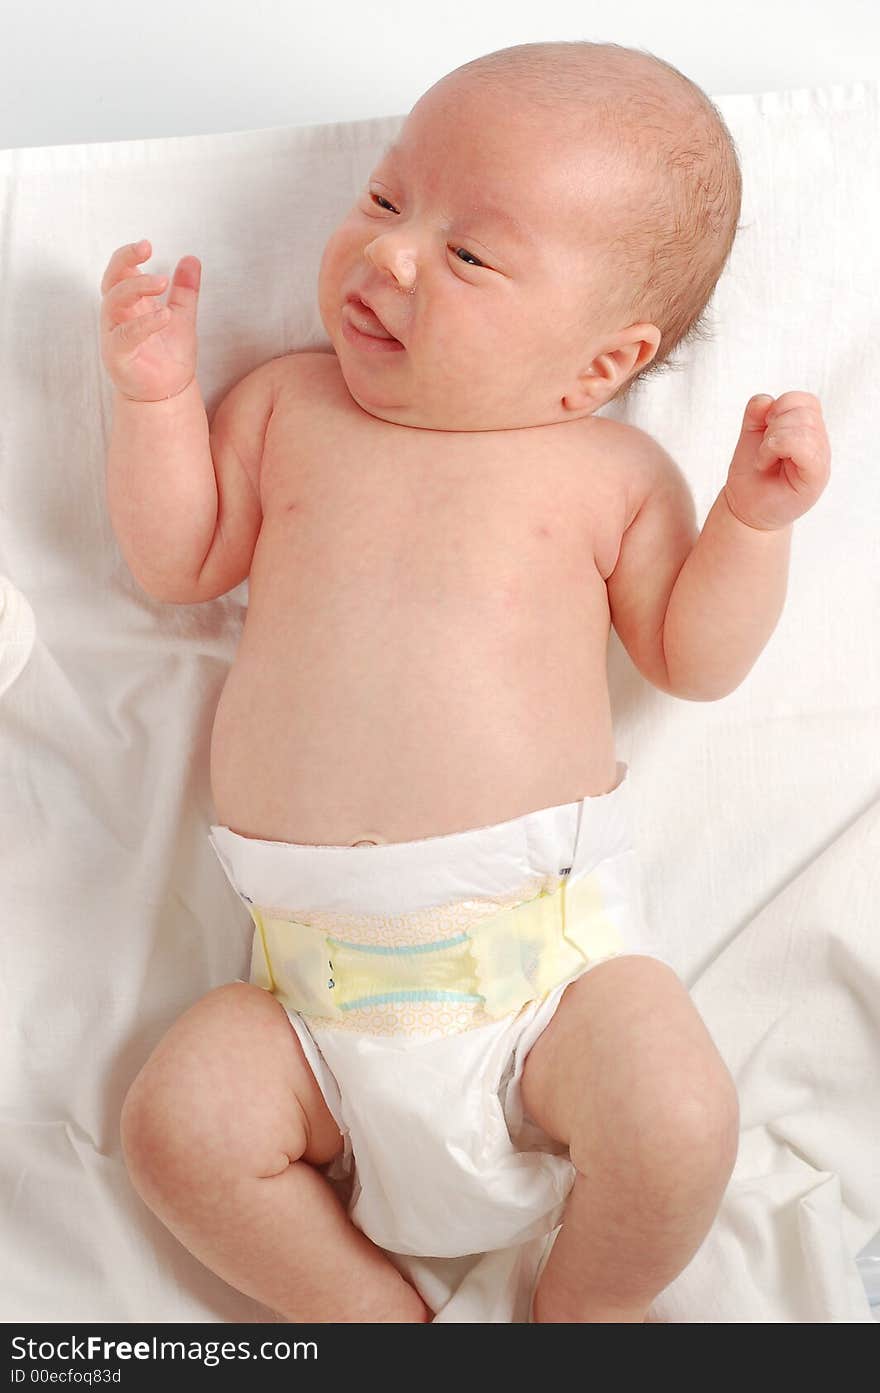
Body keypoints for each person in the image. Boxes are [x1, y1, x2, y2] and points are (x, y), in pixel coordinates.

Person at [99, 41, 831, 1322]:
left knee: (675, 1117)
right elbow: (179, 560)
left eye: (470, 254)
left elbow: (694, 660)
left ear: (601, 364)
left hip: (543, 976)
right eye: (387, 200)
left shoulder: (604, 474)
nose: (388, 255)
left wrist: (751, 528)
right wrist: (155, 399)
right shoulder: (287, 407)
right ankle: (375, 1320)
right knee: (174, 1126)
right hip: (307, 1003)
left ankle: (579, 1315)